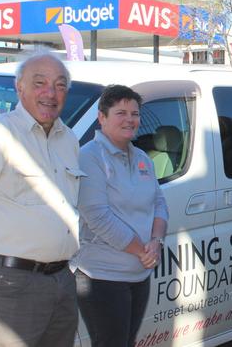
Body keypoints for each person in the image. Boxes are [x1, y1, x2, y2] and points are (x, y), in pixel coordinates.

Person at [0, 52, 82, 346]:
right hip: (9, 285)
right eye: (39, 83)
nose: (50, 93)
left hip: (62, 280)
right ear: (19, 87)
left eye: (60, 85)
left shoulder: (69, 140)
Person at [72, 84, 169, 346]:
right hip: (102, 277)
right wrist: (142, 251)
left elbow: (159, 203)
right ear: (102, 117)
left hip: (139, 275)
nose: (130, 119)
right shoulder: (88, 157)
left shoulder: (142, 158)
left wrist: (156, 242)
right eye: (121, 112)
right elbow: (99, 217)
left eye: (135, 113)